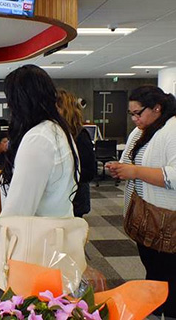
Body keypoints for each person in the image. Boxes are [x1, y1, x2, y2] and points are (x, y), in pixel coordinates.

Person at [0, 64, 80, 303]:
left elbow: (15, 216)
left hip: (33, 253)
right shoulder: (58, 131)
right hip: (54, 245)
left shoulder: (38, 138)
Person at [107, 85, 176, 318]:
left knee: (169, 279)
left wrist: (135, 172)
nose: (135, 118)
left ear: (157, 108)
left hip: (167, 218)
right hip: (143, 215)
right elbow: (130, 162)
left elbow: (173, 176)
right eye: (131, 114)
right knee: (153, 271)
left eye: (139, 113)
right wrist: (118, 169)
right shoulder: (140, 131)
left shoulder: (172, 129)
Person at [57, 89, 95, 217]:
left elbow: (89, 171)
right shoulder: (54, 133)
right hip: (59, 198)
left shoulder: (80, 135)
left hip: (75, 198)